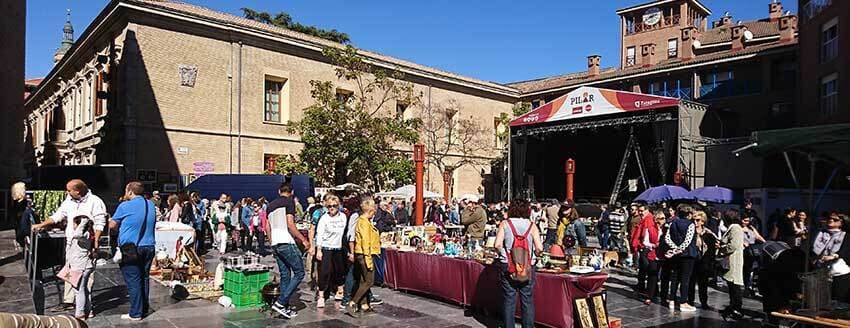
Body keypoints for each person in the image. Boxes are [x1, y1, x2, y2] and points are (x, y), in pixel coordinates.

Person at [32, 179, 106, 314]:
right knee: (70, 272)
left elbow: (100, 223)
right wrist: (41, 224)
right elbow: (58, 215)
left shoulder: (95, 201)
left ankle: (85, 308)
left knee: (85, 277)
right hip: (71, 242)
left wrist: (95, 244)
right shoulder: (69, 200)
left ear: (78, 191)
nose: (67, 192)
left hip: (86, 245)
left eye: (69, 190)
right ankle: (69, 301)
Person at [109, 181, 156, 321]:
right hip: (149, 246)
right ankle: (144, 308)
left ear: (130, 192)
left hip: (131, 248)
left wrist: (109, 220)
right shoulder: (151, 204)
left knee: (133, 280)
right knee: (144, 278)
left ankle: (136, 313)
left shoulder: (125, 206)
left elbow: (112, 226)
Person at [494, 199, 543, 328]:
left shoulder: (505, 224)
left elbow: (497, 245)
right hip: (527, 266)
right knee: (527, 299)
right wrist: (535, 256)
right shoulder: (532, 226)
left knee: (509, 299)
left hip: (508, 265)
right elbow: (539, 248)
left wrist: (505, 255)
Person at [265, 183, 311, 319]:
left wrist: (271, 241)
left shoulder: (270, 205)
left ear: (279, 191)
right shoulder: (289, 203)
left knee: (285, 274)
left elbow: (267, 227)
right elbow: (290, 224)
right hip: (286, 241)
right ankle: (281, 303)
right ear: (292, 192)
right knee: (299, 272)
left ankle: (283, 307)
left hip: (275, 242)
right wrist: (303, 240)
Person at [348, 198, 381, 317]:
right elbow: (365, 242)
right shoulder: (364, 223)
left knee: (363, 279)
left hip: (361, 254)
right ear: (371, 210)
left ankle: (364, 304)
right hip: (364, 254)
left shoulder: (363, 221)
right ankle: (353, 302)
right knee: (369, 281)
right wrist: (369, 260)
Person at [662, 204, 697, 312]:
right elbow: (688, 240)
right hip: (688, 254)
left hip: (675, 255)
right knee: (685, 279)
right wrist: (679, 249)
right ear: (689, 214)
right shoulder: (691, 224)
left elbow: (667, 238)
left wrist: (674, 249)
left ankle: (671, 300)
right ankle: (683, 302)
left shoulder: (673, 223)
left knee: (675, 277)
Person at [314, 194, 348, 309]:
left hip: (338, 248)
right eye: (329, 206)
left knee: (340, 271)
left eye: (334, 206)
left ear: (338, 206)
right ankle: (321, 296)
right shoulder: (324, 218)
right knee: (324, 272)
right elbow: (319, 234)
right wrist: (318, 250)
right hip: (326, 248)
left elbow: (345, 233)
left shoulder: (343, 217)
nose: (331, 208)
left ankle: (340, 291)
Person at [813, 212, 850, 303]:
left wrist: (834, 256)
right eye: (829, 218)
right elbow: (810, 246)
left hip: (838, 270)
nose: (831, 220)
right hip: (820, 268)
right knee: (821, 297)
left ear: (842, 223)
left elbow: (845, 250)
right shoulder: (819, 232)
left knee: (837, 297)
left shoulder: (845, 235)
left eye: (835, 219)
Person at [688, 210, 718, 310]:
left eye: (697, 220)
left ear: (702, 221)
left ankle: (704, 302)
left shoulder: (708, 233)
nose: (695, 222)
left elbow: (712, 249)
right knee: (691, 282)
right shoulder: (689, 232)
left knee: (703, 283)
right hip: (692, 260)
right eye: (693, 220)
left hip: (703, 261)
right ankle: (690, 301)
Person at [719, 210, 745, 320]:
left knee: (735, 285)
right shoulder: (734, 227)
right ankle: (733, 306)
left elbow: (733, 245)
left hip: (733, 260)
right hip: (731, 259)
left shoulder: (735, 228)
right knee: (732, 285)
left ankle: (737, 308)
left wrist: (722, 249)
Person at [639, 210, 665, 305]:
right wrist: (652, 245)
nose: (664, 220)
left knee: (661, 276)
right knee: (652, 275)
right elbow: (645, 242)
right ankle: (649, 295)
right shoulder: (649, 229)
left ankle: (659, 294)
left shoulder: (666, 230)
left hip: (663, 255)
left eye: (664, 218)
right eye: (662, 218)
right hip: (653, 254)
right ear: (657, 219)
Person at [632, 207, 658, 299]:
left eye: (642, 211)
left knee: (648, 269)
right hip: (643, 246)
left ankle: (651, 289)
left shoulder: (649, 220)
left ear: (647, 210)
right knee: (643, 267)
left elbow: (647, 235)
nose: (640, 213)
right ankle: (644, 286)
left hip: (647, 248)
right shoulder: (643, 220)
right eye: (639, 211)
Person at [741, 213, 765, 296]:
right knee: (746, 271)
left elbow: (758, 236)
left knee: (752, 270)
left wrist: (765, 243)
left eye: (747, 220)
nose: (745, 222)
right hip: (743, 252)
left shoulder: (751, 228)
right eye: (744, 220)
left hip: (752, 251)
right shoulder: (738, 228)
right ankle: (745, 288)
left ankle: (749, 287)